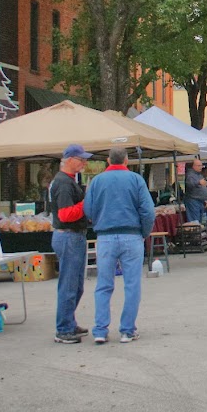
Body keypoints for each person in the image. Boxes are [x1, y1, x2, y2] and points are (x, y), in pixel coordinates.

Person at [83, 147, 155, 345]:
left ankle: (100, 330)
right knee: (132, 285)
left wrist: (99, 221)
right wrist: (144, 232)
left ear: (108, 160)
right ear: (126, 161)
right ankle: (127, 330)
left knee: (103, 285)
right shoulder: (136, 180)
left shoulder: (96, 181)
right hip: (131, 235)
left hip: (105, 237)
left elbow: (87, 209)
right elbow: (148, 211)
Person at [48, 143, 93, 344]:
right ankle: (63, 329)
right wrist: (87, 203)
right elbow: (65, 214)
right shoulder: (64, 184)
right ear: (70, 160)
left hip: (71, 235)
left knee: (75, 285)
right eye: (81, 159)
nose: (84, 162)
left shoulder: (65, 181)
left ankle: (68, 322)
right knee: (69, 284)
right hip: (69, 235)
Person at [184, 159, 207, 225]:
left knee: (199, 221)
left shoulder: (198, 174)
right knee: (194, 222)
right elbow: (189, 184)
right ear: (193, 166)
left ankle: (198, 233)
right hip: (193, 200)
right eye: (199, 165)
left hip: (200, 201)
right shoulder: (190, 174)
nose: (201, 167)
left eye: (201, 165)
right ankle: (195, 234)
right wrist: (198, 182)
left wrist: (204, 199)